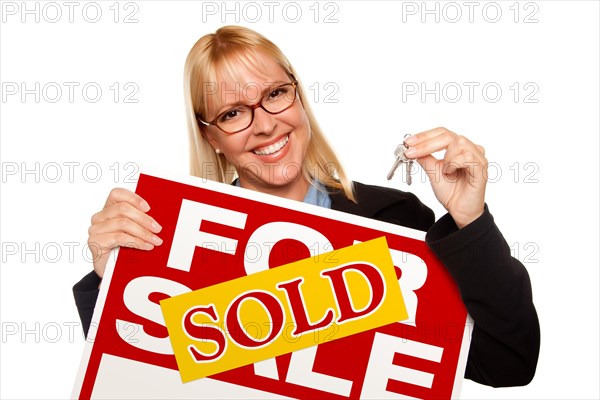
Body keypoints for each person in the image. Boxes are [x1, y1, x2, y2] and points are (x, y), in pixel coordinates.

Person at [73, 25, 540, 388]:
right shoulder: (176, 245)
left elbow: (507, 362)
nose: (265, 125)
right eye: (233, 113)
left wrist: (470, 222)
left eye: (274, 94)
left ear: (297, 97)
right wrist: (110, 279)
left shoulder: (396, 221)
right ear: (210, 136)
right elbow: (142, 382)